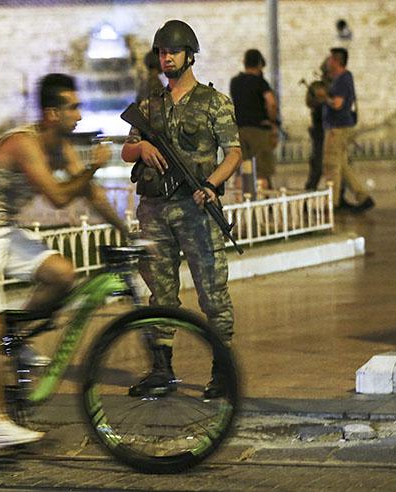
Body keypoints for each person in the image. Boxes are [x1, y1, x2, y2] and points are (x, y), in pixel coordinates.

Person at [0, 73, 130, 451]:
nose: (79, 114)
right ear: (51, 113)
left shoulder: (61, 146)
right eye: (72, 107)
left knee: (62, 275)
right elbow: (60, 197)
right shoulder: (23, 144)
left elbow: (88, 192)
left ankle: (15, 338)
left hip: (0, 229)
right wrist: (94, 166)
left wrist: (126, 231)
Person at [121, 20, 241, 399]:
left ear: (190, 55)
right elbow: (127, 151)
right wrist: (140, 149)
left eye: (172, 51)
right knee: (161, 293)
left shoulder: (214, 103)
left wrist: (211, 184)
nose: (166, 57)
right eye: (161, 52)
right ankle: (161, 370)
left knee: (213, 293)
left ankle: (222, 372)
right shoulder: (148, 105)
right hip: (155, 210)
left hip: (196, 208)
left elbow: (234, 152)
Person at [314, 47, 374, 213]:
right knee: (342, 166)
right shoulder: (342, 78)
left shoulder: (342, 79)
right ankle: (364, 198)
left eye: (330, 59)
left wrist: (323, 97)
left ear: (337, 61)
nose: (328, 61)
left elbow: (338, 104)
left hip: (336, 128)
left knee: (331, 165)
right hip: (339, 126)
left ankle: (332, 204)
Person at [230, 49, 279, 193]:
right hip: (259, 130)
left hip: (240, 129)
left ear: (244, 63)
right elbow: (271, 103)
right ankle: (264, 204)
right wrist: (272, 120)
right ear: (259, 64)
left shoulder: (235, 82)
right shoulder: (260, 82)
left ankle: (243, 200)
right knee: (262, 170)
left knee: (243, 168)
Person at [303, 58, 330, 192]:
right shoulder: (318, 87)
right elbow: (311, 102)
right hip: (320, 133)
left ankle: (338, 195)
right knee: (317, 166)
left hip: (326, 131)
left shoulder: (328, 88)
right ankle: (309, 193)